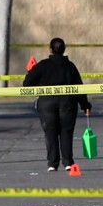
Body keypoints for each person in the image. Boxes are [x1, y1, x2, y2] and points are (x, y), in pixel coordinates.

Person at [23, 37, 91, 173]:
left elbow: (27, 84)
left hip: (46, 103)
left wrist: (31, 70)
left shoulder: (42, 65)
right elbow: (79, 87)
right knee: (66, 132)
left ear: (50, 50)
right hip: (68, 103)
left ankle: (52, 163)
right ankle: (68, 162)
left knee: (50, 133)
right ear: (64, 50)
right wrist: (85, 105)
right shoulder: (70, 66)